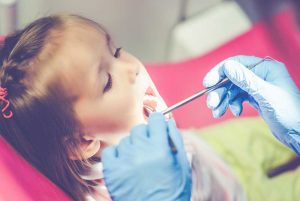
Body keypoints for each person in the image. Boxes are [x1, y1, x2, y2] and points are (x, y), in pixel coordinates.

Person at [0, 14, 247, 201]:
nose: (132, 67)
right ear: (82, 142)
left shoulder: (135, 121)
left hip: (218, 169)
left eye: (116, 52)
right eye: (107, 82)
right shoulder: (126, 193)